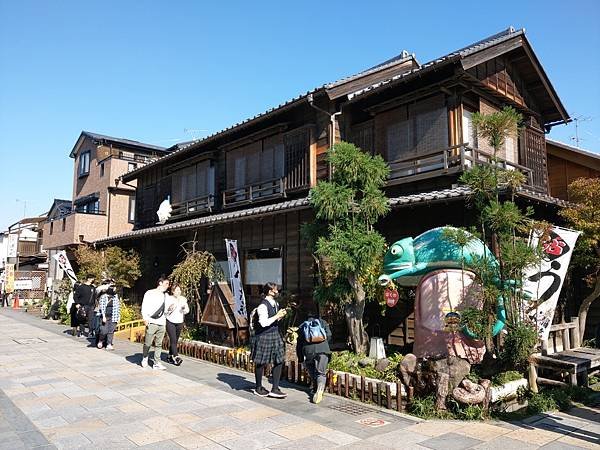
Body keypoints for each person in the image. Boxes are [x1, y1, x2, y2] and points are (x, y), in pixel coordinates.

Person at [251, 282, 287, 398]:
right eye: (275, 290)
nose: (277, 292)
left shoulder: (275, 303)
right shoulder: (263, 306)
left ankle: (275, 388)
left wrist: (279, 316)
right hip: (264, 336)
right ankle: (258, 387)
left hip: (275, 334)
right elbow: (263, 323)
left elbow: (272, 320)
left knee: (279, 360)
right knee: (261, 362)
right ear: (269, 291)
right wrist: (277, 316)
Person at [296, 311, 332, 404]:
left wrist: (300, 358)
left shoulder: (303, 325)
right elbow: (329, 335)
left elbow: (299, 343)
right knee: (321, 373)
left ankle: (315, 388)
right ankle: (320, 389)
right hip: (323, 350)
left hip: (308, 351)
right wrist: (324, 343)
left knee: (312, 369)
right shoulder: (322, 322)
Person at [141, 276, 170, 370]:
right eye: (166, 283)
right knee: (147, 343)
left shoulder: (166, 296)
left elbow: (165, 311)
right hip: (151, 321)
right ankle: (145, 357)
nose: (167, 286)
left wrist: (170, 310)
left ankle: (157, 362)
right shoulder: (150, 293)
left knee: (159, 344)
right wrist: (145, 318)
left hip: (162, 322)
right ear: (160, 283)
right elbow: (144, 306)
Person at [165, 284, 189, 365]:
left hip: (179, 322)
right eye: (176, 290)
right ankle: (176, 357)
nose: (178, 292)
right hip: (170, 321)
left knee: (175, 341)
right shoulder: (169, 299)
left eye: (179, 290)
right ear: (173, 291)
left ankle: (169, 356)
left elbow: (187, 310)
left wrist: (183, 308)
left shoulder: (183, 299)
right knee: (173, 339)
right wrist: (169, 309)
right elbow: (165, 312)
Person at [97, 279, 120, 350]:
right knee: (104, 330)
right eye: (114, 288)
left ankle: (109, 344)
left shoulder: (115, 297)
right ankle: (101, 340)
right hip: (105, 315)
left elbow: (118, 307)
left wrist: (118, 317)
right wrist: (103, 316)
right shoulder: (104, 296)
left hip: (113, 315)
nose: (115, 290)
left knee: (111, 330)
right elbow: (102, 307)